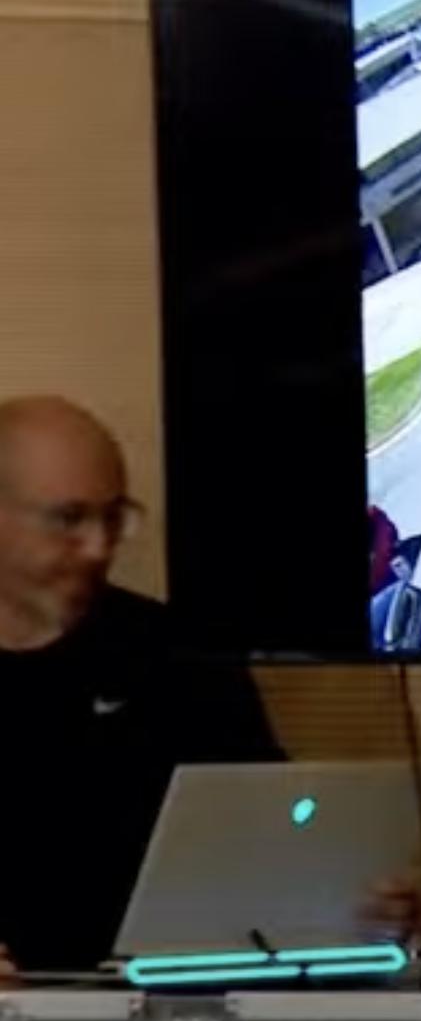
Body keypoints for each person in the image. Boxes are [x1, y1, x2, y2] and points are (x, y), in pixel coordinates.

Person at [0, 396, 285, 979]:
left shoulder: (182, 657)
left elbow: (279, 837)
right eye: (69, 519)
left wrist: (357, 906)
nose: (99, 547)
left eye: (113, 517)